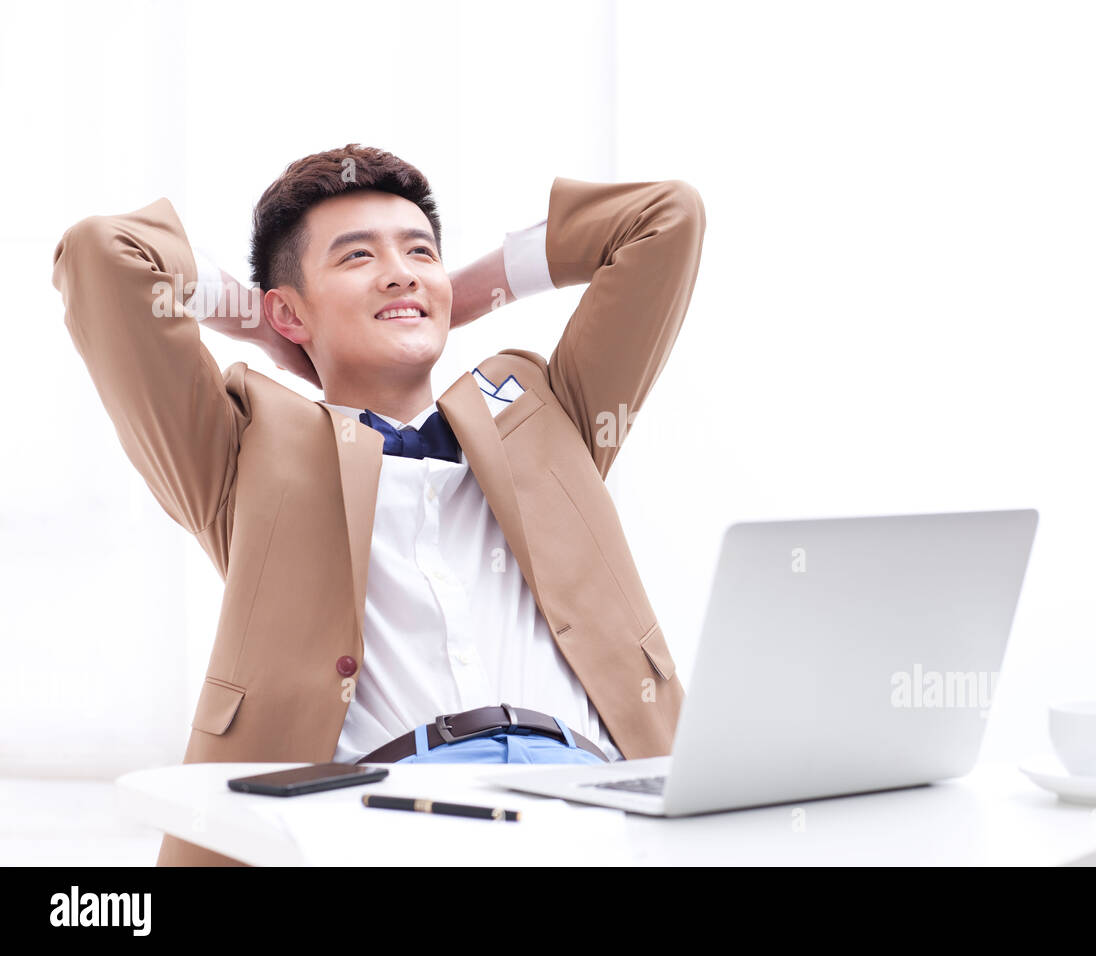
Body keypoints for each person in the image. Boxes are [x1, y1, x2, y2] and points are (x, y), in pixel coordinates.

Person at [51, 143, 706, 865]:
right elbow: (101, 257)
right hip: (385, 816)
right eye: (357, 257)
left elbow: (665, 221)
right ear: (290, 310)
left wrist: (453, 291)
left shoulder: (543, 411)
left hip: (600, 804)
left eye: (419, 250)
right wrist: (262, 326)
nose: (398, 268)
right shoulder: (242, 452)